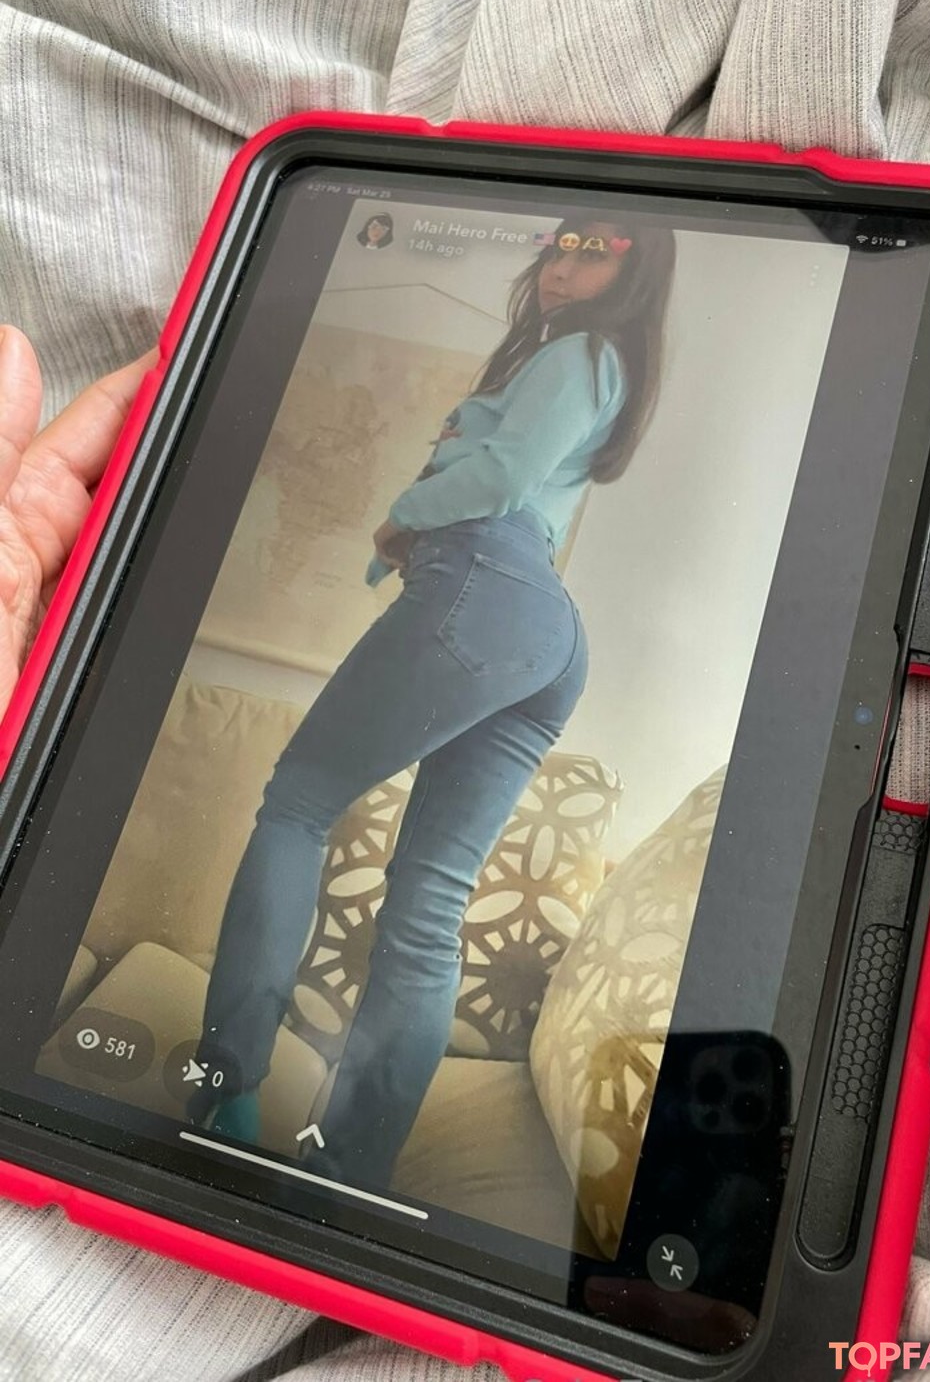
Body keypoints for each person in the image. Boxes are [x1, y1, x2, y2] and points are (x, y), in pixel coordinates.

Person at [186, 218, 676, 1190]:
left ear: (634, 273)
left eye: (591, 255)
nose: (561, 268)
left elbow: (502, 477)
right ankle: (348, 1169)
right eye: (559, 249)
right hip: (543, 632)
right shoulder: (600, 365)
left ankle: (224, 1090)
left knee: (298, 803)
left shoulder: (580, 353)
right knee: (431, 899)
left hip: (488, 586)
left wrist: (400, 518)